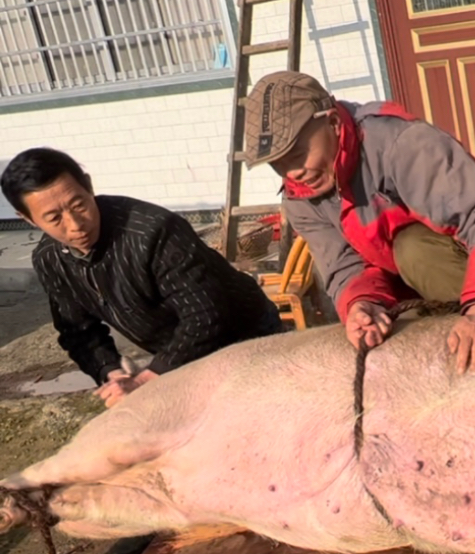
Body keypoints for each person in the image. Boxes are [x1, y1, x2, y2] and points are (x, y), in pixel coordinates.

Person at [242, 71, 475, 374]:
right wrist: (362, 305)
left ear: (333, 122)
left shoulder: (401, 144)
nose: (293, 173)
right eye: (279, 165)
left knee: (412, 250)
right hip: (420, 287)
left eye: (299, 154)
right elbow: (343, 265)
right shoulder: (299, 200)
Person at [1, 148, 283, 408]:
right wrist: (112, 373)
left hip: (247, 336)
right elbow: (78, 331)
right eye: (54, 218)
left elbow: (205, 314)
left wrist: (147, 378)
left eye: (78, 205)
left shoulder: (153, 231)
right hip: (177, 355)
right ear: (27, 218)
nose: (75, 225)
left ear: (88, 185)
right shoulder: (50, 259)